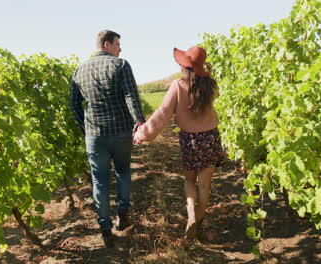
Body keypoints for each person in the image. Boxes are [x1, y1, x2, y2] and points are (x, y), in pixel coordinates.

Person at [133, 46, 223, 239]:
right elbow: (215, 94)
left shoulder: (178, 86)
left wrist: (143, 134)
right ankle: (197, 224)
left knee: (190, 179)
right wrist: (208, 73)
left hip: (190, 140)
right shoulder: (211, 85)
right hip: (211, 138)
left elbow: (162, 114)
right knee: (205, 186)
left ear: (184, 66)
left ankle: (190, 213)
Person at [69, 30, 145, 248]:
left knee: (99, 182)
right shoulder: (120, 65)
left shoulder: (79, 70)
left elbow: (74, 105)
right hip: (121, 132)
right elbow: (131, 96)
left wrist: (85, 128)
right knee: (122, 172)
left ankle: (105, 227)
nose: (120, 49)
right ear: (106, 44)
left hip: (94, 136)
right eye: (117, 44)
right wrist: (140, 122)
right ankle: (122, 214)